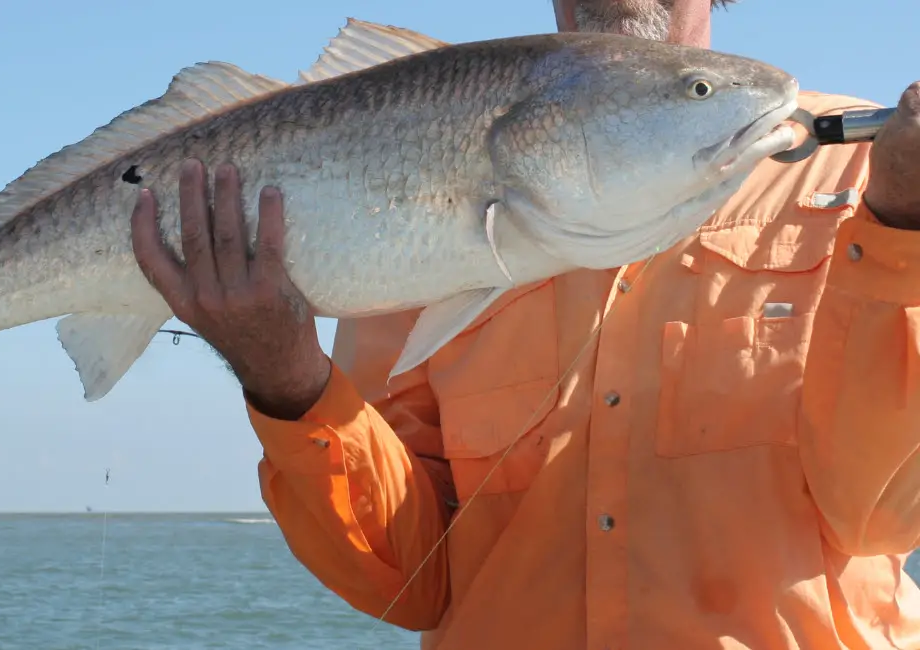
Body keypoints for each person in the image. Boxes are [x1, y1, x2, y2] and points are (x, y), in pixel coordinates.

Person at [130, 0, 920, 647]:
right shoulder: (410, 194)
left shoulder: (872, 173)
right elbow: (406, 577)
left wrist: (902, 231)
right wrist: (286, 380)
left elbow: (889, 515)